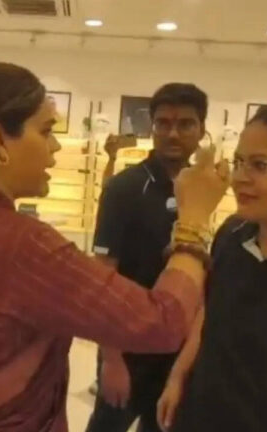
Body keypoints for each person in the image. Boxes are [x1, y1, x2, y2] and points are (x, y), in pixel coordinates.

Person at [0, 63, 229, 432]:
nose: (56, 145)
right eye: (46, 131)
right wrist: (194, 221)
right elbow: (164, 322)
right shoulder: (23, 244)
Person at [156, 104, 267, 432]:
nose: (239, 178)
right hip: (201, 413)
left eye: (261, 165)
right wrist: (178, 375)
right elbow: (209, 307)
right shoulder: (232, 233)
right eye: (239, 162)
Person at [85, 83, 209, 432]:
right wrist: (111, 360)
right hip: (128, 350)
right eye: (163, 123)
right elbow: (103, 278)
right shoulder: (124, 189)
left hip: (175, 351)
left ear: (202, 130)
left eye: (185, 124)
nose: (173, 133)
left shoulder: (201, 189)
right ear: (152, 128)